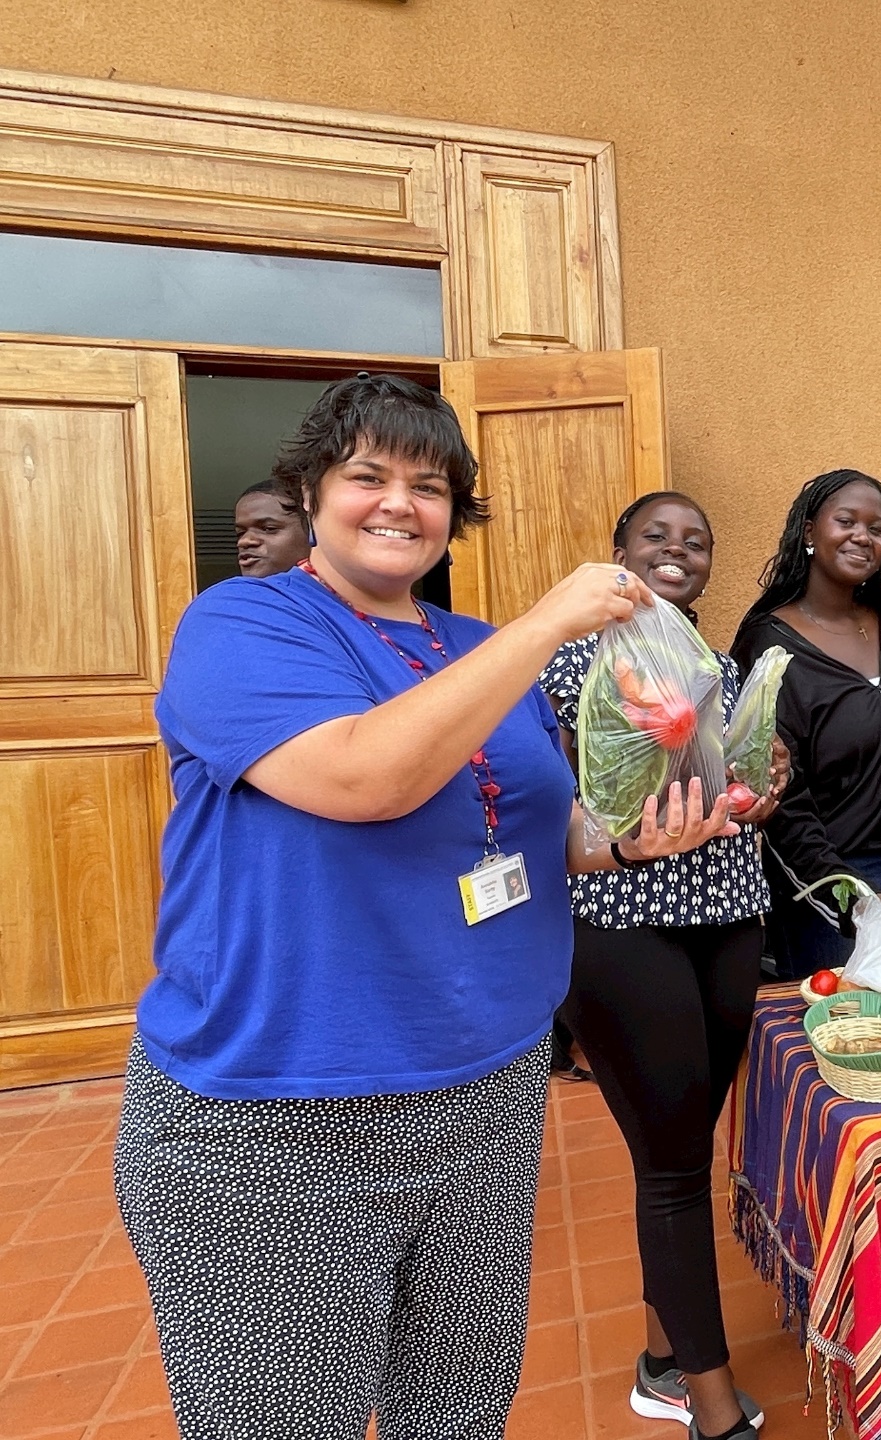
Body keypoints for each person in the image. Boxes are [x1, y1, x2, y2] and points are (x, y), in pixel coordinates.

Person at [115, 374, 734, 1439]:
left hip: (485, 1094)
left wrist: (630, 838)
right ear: (313, 491)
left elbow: (532, 830)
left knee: (452, 1413)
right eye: (369, 477)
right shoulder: (240, 625)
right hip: (281, 1116)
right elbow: (365, 779)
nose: (401, 503)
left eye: (430, 485)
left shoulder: (466, 643)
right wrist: (549, 622)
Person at [541, 490, 787, 1440]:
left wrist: (765, 786)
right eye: (657, 539)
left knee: (674, 1148)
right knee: (678, 1162)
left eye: (697, 540)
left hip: (726, 912)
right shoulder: (572, 656)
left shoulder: (718, 665)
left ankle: (661, 1355)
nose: (678, 552)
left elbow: (732, 776)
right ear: (619, 554)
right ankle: (713, 1405)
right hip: (619, 920)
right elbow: (563, 786)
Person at [732, 469, 881, 978]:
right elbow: (777, 793)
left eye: (877, 529)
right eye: (846, 521)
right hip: (830, 883)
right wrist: (841, 891)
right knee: (847, 1039)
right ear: (810, 531)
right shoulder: (767, 644)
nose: (863, 536)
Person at [233, 477, 310, 577]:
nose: (244, 541)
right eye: (240, 533)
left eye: (268, 529)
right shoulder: (227, 592)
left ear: (314, 531)